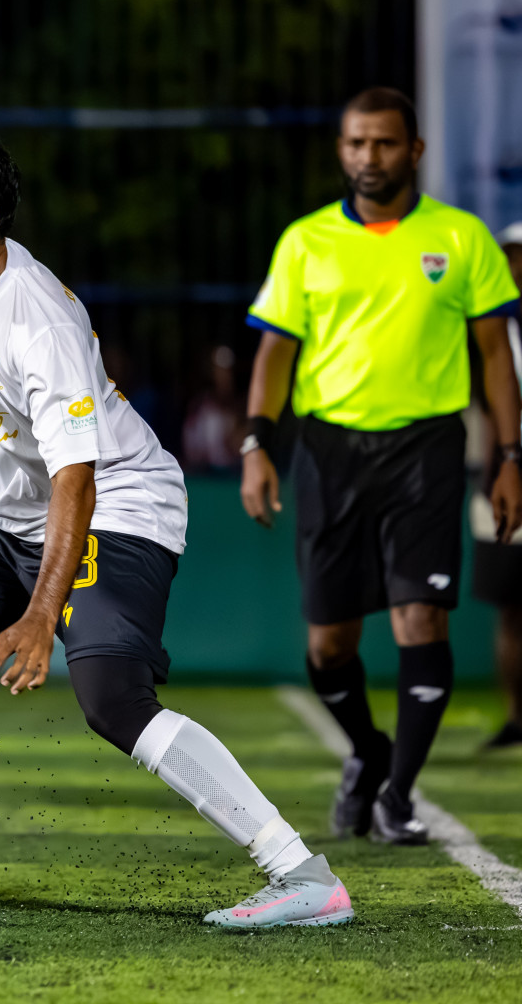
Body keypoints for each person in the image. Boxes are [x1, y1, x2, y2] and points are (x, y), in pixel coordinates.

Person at [0, 121, 354, 929]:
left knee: (111, 699)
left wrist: (42, 615)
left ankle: (303, 876)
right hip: (19, 518)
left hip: (120, 507)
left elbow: (79, 479)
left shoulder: (39, 322)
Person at [241, 88, 522, 843]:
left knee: (420, 618)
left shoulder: (462, 238)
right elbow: (275, 352)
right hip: (328, 451)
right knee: (328, 644)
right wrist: (257, 444)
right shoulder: (305, 241)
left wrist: (509, 456)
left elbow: (496, 356)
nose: (370, 156)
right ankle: (369, 752)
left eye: (386, 143)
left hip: (426, 449)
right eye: (357, 143)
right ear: (342, 150)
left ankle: (398, 795)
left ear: (414, 151)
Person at [474, 221, 522, 749]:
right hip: (504, 479)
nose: (516, 267)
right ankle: (516, 715)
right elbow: (486, 413)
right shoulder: (489, 330)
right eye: (510, 257)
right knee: (510, 606)